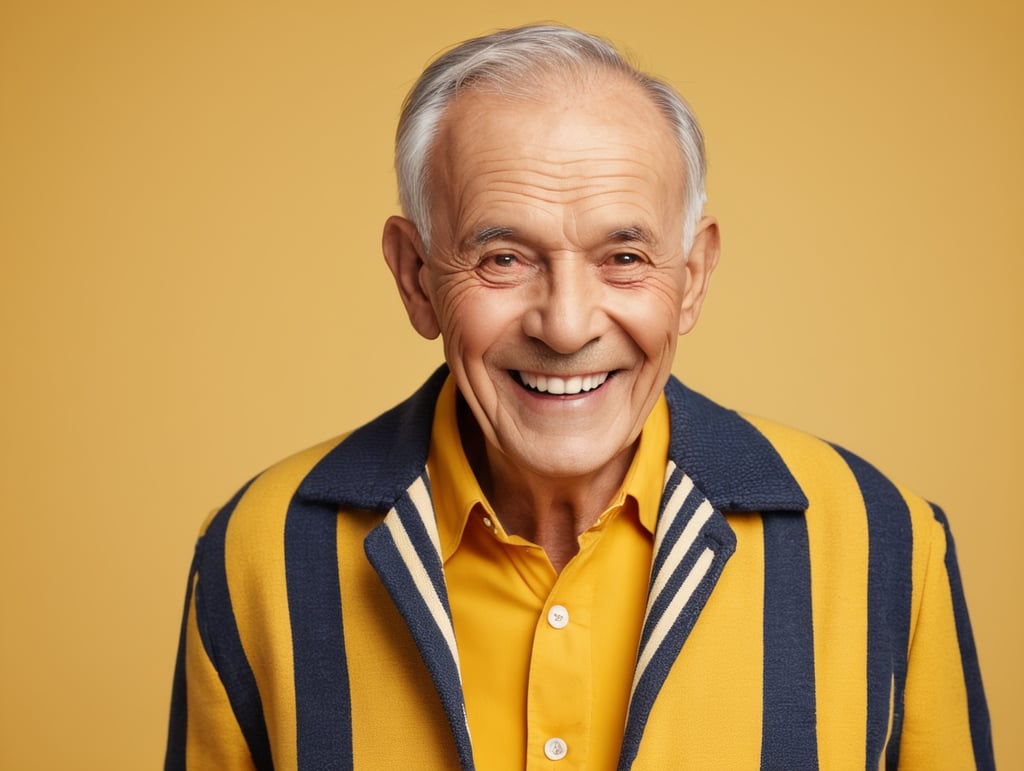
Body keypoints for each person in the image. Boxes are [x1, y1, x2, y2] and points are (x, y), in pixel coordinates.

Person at [165, 24, 993, 770]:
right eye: (504, 258)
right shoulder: (259, 555)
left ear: (692, 276)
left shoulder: (886, 547)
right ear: (416, 278)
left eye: (624, 258)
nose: (565, 326)